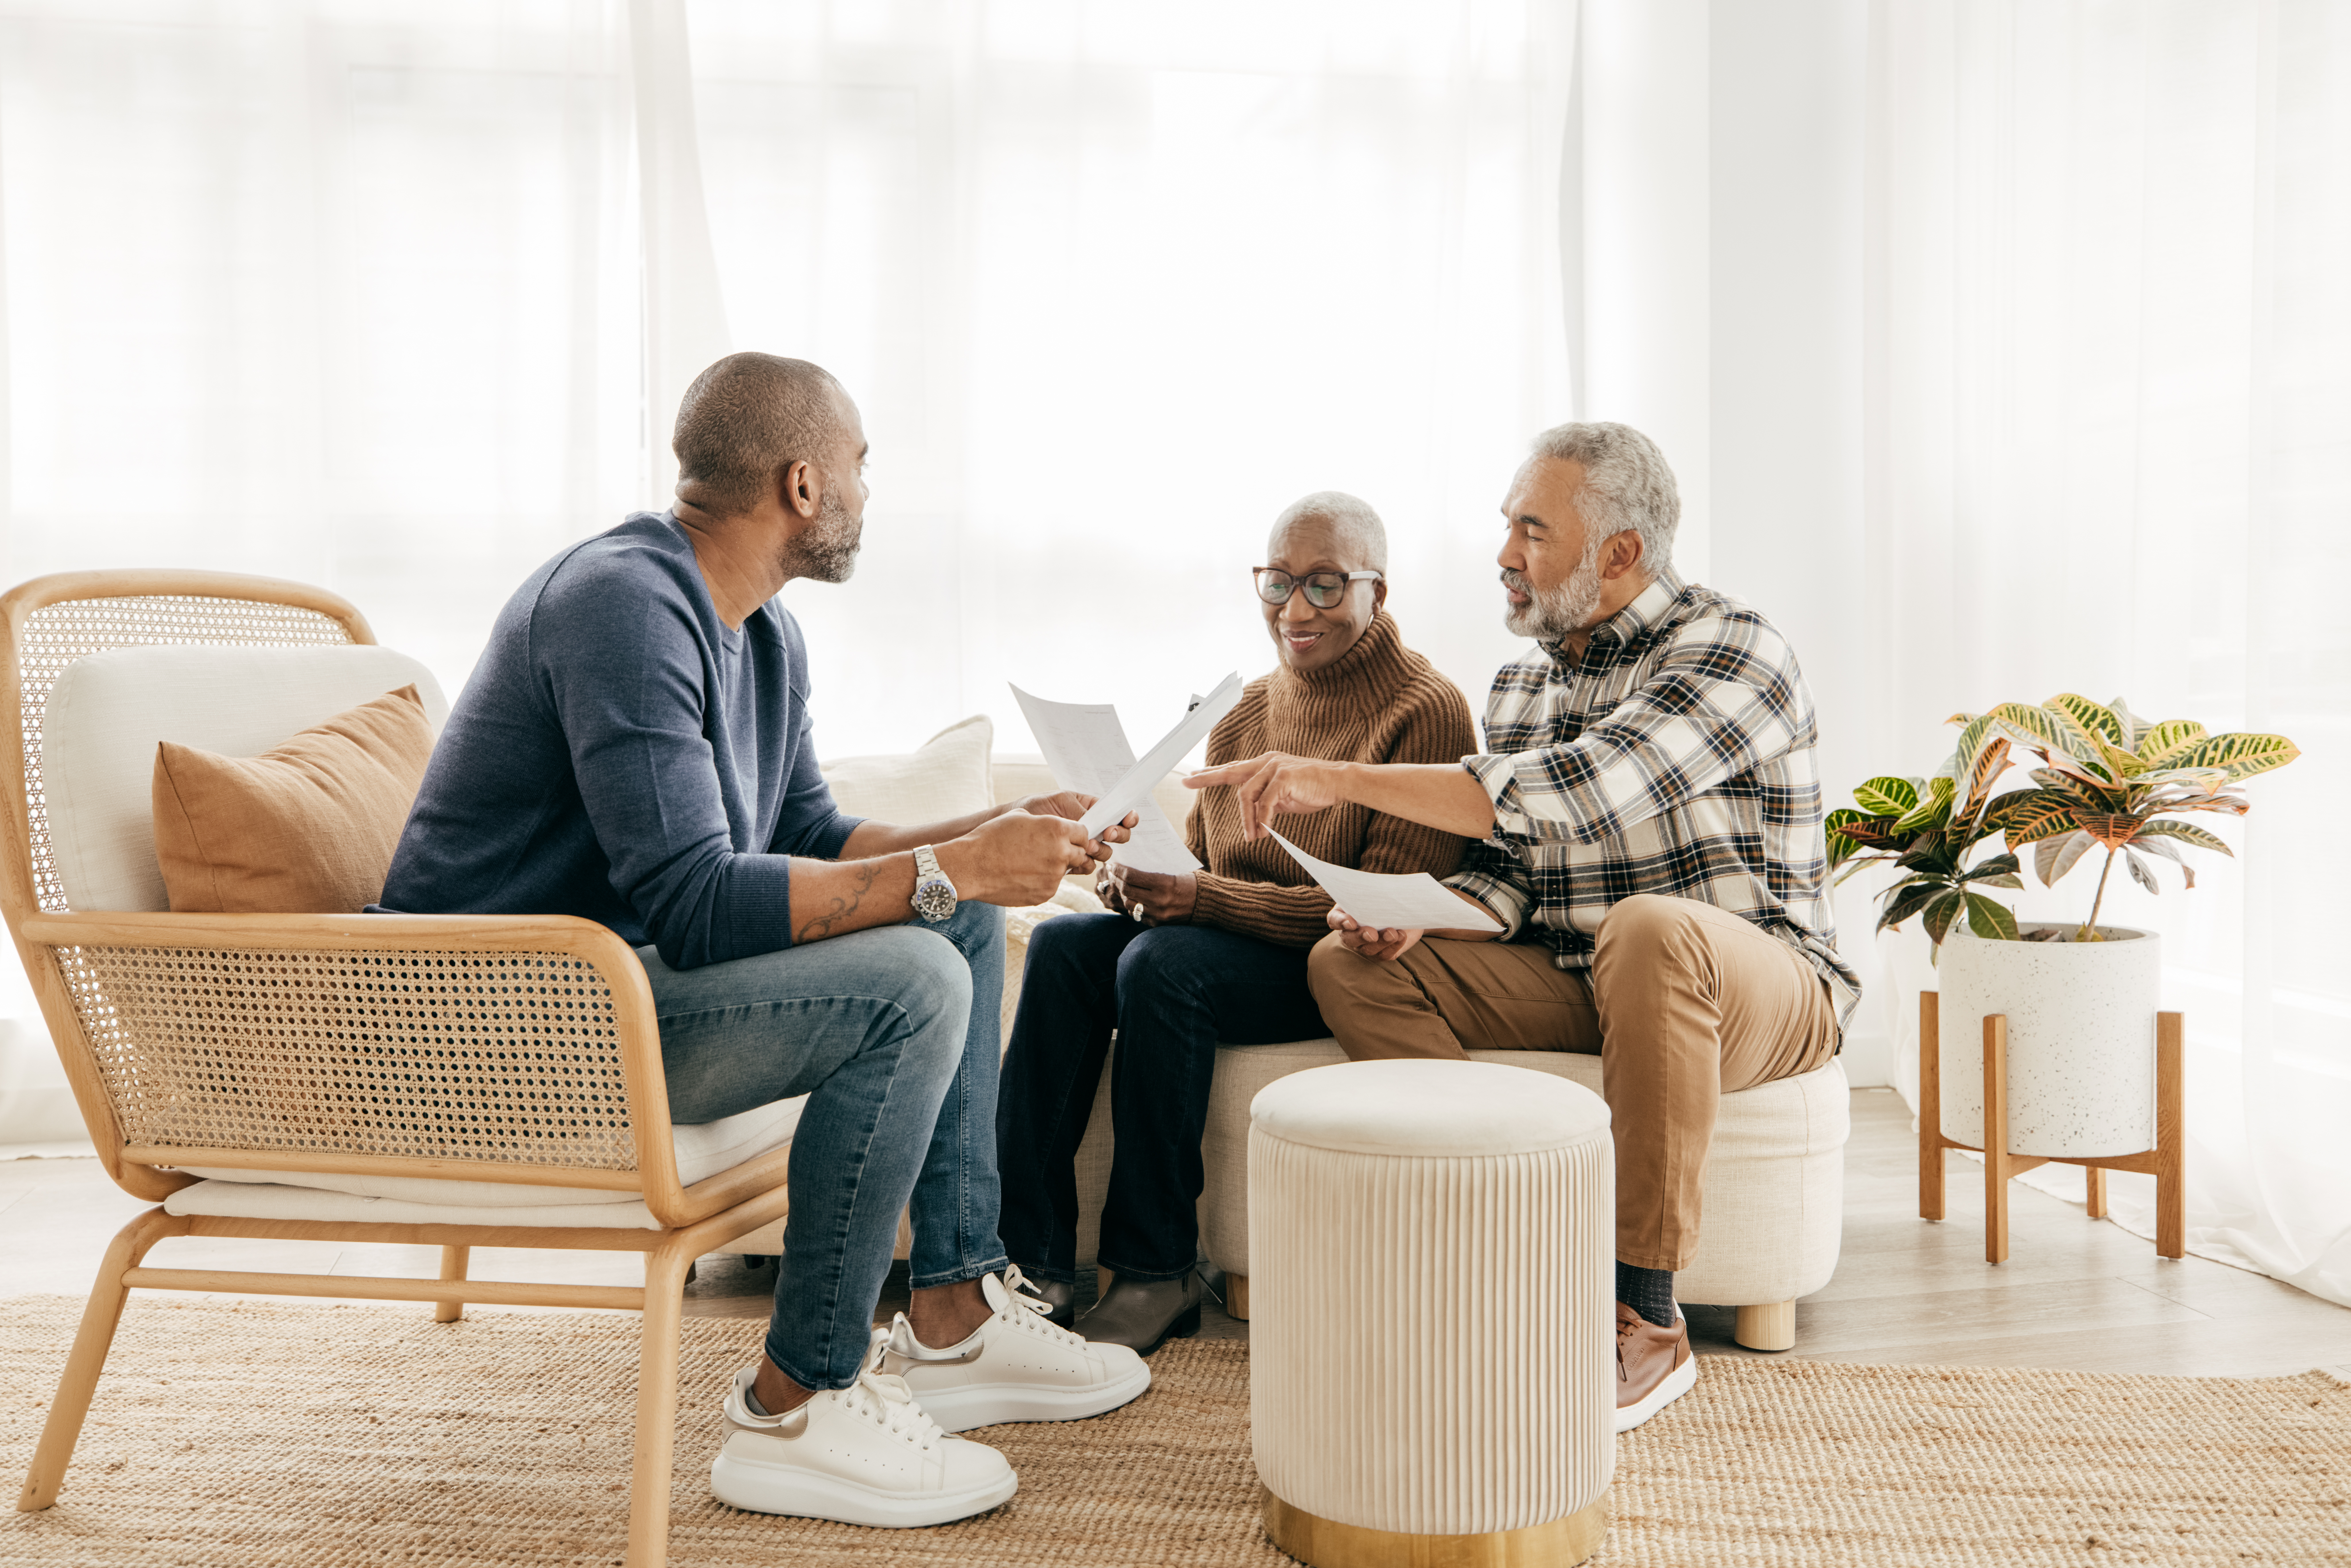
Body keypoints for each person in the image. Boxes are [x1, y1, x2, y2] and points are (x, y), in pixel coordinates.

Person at [379, 352, 1151, 1530]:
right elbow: (693, 898)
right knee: (911, 980)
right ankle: (797, 1400)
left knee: (962, 917)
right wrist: (948, 868)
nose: (865, 490)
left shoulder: (762, 633)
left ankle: (954, 1313)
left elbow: (809, 834)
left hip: (622, 989)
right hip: (509, 1019)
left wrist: (986, 839)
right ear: (802, 483)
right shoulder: (622, 605)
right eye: (859, 465)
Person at [1187, 423, 1861, 1435]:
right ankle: (1498, 1248)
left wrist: (1331, 777)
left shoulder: (1733, 649)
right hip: (1591, 976)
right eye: (1507, 526)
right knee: (1349, 963)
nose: (1504, 555)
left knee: (1653, 931)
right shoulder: (1525, 686)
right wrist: (1415, 922)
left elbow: (1582, 796)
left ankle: (1648, 1315)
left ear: (1620, 554)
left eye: (1531, 532)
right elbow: (1509, 881)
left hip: (1758, 987)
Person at [994, 493, 1479, 1354]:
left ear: (1378, 590)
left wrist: (1200, 904)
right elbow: (1205, 873)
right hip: (1215, 943)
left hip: (1331, 959)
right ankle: (1027, 1262)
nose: (1296, 610)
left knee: (1164, 966)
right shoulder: (1243, 711)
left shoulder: (1425, 709)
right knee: (1068, 946)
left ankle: (1155, 1270)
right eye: (1279, 582)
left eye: (1326, 585)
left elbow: (1377, 910)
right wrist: (1128, 877)